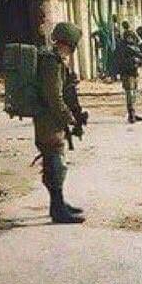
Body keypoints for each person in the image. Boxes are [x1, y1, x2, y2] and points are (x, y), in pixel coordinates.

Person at [34, 22, 88, 224]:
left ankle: (59, 203)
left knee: (54, 161)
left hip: (51, 119)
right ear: (69, 43)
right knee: (56, 164)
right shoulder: (51, 63)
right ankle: (57, 209)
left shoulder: (55, 61)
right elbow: (54, 97)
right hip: (48, 121)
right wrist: (70, 118)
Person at [115, 22, 142, 123]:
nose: (131, 39)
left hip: (133, 72)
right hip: (126, 73)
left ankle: (133, 113)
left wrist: (138, 61)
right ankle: (131, 114)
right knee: (130, 93)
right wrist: (133, 60)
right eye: (129, 37)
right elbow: (120, 60)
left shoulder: (134, 46)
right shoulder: (122, 47)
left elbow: (141, 56)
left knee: (134, 93)